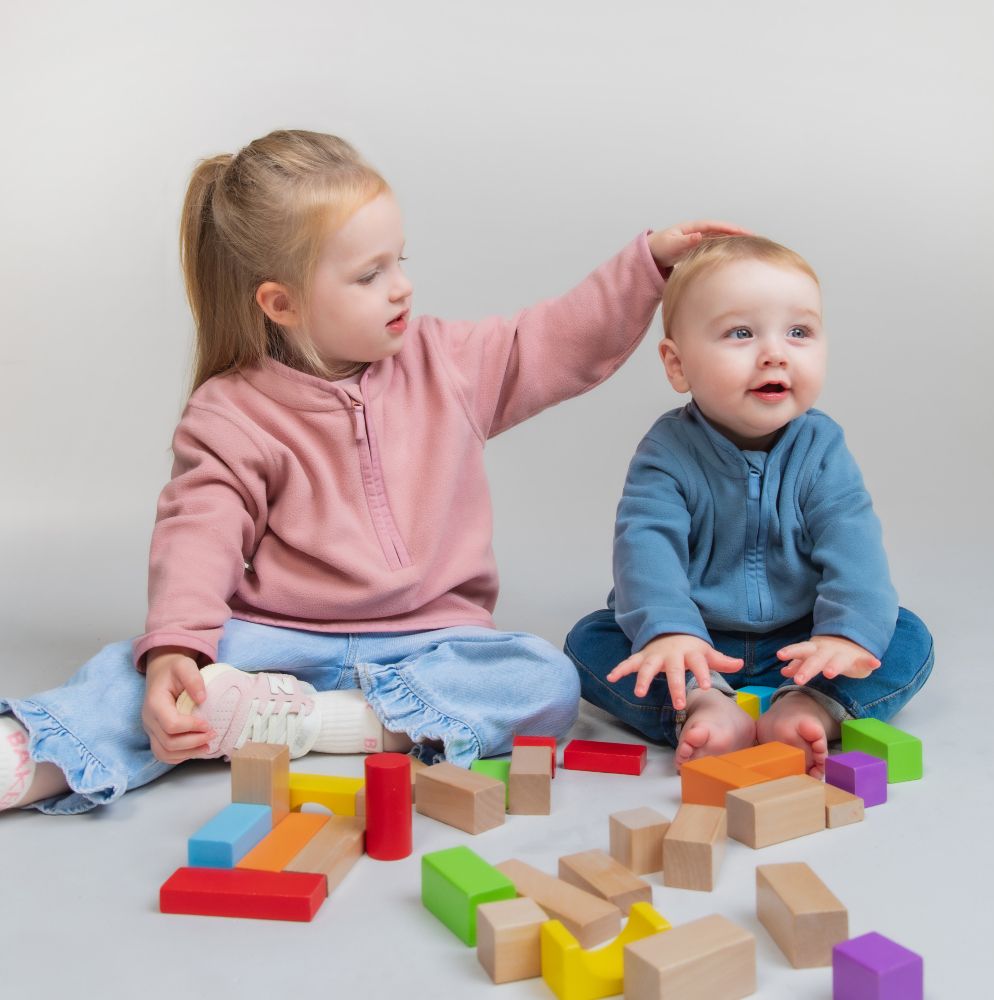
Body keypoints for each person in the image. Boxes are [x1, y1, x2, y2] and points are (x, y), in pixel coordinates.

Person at [0, 128, 746, 814]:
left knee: (542, 683)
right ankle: (34, 759)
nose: (400, 287)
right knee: (139, 677)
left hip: (428, 644)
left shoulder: (443, 363)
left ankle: (314, 725)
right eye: (368, 275)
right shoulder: (232, 410)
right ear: (280, 303)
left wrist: (646, 264)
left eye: (400, 262)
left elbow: (553, 339)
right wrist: (175, 650)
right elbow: (198, 535)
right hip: (273, 641)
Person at [565, 235, 933, 777]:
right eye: (741, 333)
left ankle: (812, 704)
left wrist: (842, 634)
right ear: (678, 364)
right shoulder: (666, 452)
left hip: (802, 638)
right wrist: (669, 631)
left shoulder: (822, 448)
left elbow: (855, 549)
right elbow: (646, 549)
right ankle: (703, 703)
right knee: (590, 640)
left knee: (904, 636)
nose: (775, 352)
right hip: (696, 638)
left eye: (799, 332)